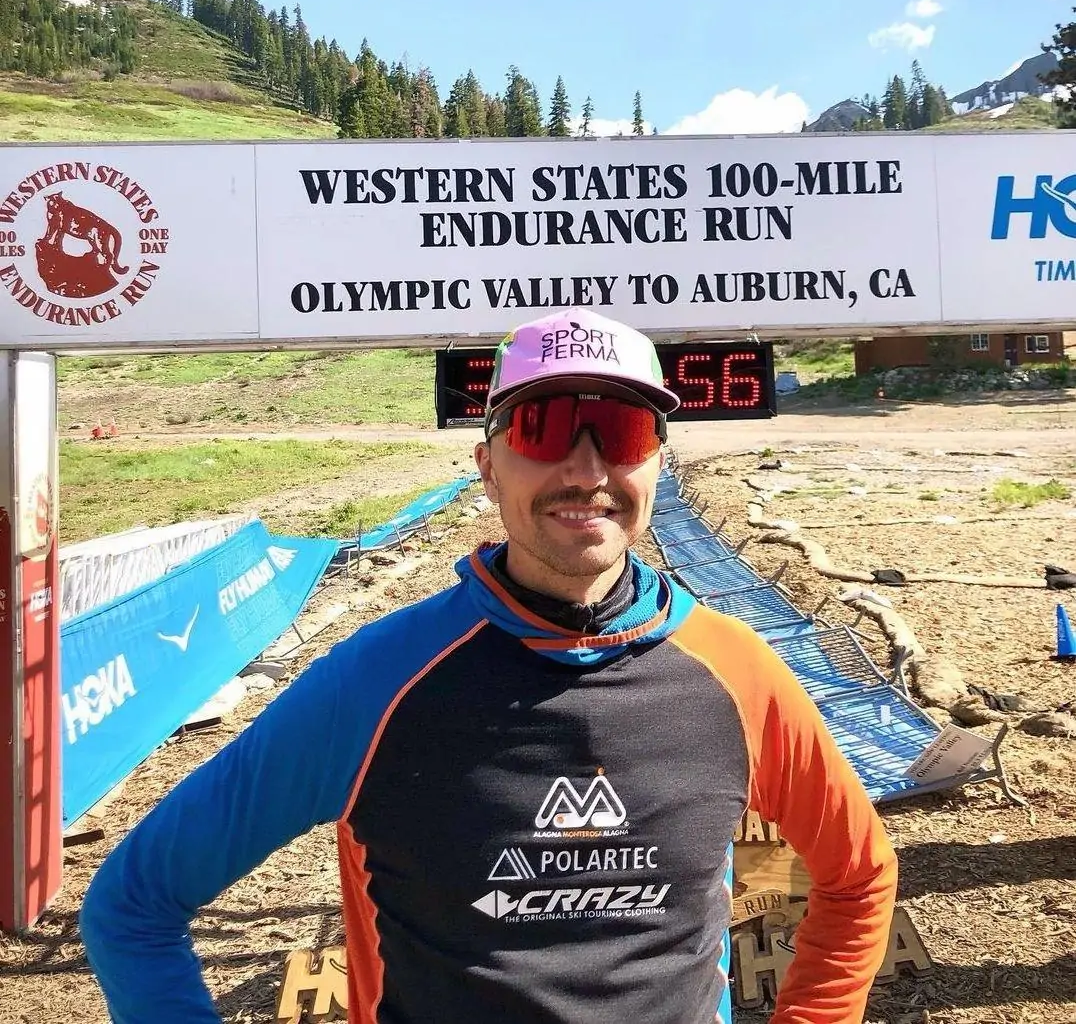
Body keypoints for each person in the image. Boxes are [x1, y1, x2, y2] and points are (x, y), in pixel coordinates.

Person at [80, 308, 898, 1024]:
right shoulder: (375, 683)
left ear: (657, 463)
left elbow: (858, 876)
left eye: (621, 433)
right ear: (487, 465)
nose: (587, 472)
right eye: (544, 429)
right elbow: (134, 904)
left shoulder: (737, 671)